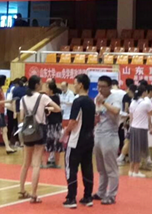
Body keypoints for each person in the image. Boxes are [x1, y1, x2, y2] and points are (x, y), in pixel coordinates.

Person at [18, 75, 61, 204]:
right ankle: (34, 194)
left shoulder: (23, 99)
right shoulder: (43, 97)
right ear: (37, 85)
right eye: (41, 83)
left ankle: (22, 190)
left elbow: (21, 117)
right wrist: (47, 109)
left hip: (27, 131)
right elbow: (58, 108)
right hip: (40, 131)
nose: (42, 84)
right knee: (36, 164)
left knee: (25, 163)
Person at [62, 73, 96, 208]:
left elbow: (73, 121)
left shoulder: (78, 101)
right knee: (87, 167)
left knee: (71, 167)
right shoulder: (91, 102)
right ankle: (88, 196)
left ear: (81, 85)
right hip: (89, 138)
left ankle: (71, 198)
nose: (74, 86)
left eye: (75, 83)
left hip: (76, 140)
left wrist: (65, 132)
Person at [93, 75, 122, 205]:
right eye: (98, 86)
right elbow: (97, 114)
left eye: (103, 86)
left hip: (110, 134)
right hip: (98, 133)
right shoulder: (97, 98)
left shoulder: (115, 98)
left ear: (109, 87)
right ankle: (101, 192)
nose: (100, 89)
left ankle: (111, 195)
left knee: (110, 167)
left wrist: (104, 102)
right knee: (101, 167)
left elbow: (116, 111)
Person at [128, 83, 152, 178]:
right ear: (144, 93)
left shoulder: (133, 102)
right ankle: (136, 171)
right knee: (139, 150)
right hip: (141, 128)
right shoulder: (146, 103)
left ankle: (131, 170)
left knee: (133, 149)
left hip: (133, 127)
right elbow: (150, 114)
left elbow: (131, 117)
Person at [44, 81, 63, 168]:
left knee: (57, 142)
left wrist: (48, 108)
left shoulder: (55, 97)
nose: (45, 89)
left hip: (56, 123)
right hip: (49, 122)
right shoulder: (47, 98)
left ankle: (56, 162)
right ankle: (49, 160)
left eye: (47, 87)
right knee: (49, 142)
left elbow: (58, 108)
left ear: (51, 89)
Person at [117, 80, 135, 165]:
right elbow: (126, 109)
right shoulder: (128, 97)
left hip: (131, 121)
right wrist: (126, 120)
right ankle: (123, 156)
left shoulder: (133, 99)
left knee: (127, 140)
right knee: (127, 140)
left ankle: (125, 156)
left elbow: (126, 108)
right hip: (130, 121)